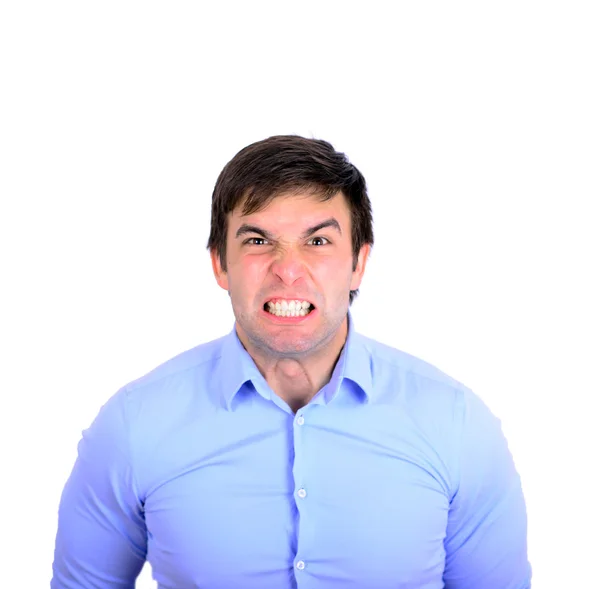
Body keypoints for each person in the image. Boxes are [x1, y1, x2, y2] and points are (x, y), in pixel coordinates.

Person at [51, 135, 532, 588]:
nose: (287, 268)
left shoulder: (456, 425)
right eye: (258, 241)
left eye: (317, 241)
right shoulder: (133, 425)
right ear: (220, 263)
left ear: (358, 263)